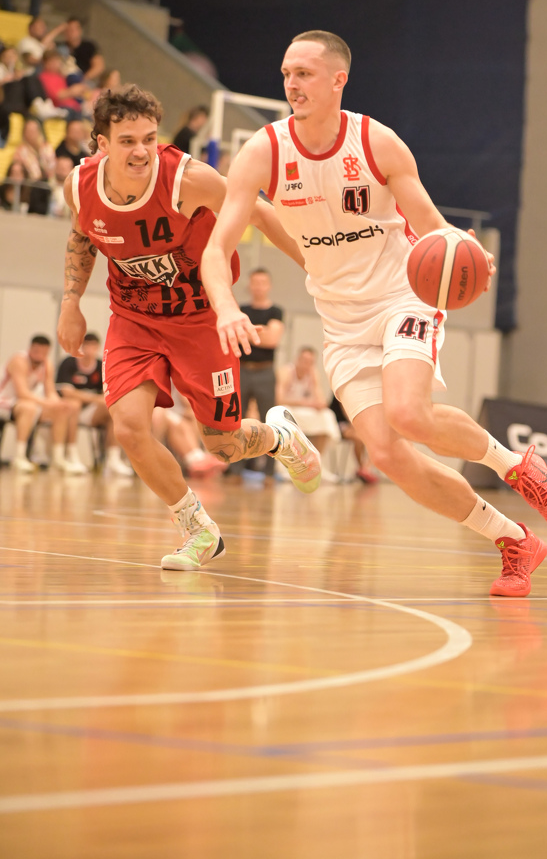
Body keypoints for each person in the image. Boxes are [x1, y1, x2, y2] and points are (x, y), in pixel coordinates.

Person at [201, 29, 547, 598]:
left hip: (403, 294)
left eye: (303, 74)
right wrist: (226, 305)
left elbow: (429, 223)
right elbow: (216, 247)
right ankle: (513, 540)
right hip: (340, 320)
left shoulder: (377, 142)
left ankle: (519, 468)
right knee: (387, 455)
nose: (291, 84)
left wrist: (463, 249)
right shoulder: (263, 152)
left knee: (409, 414)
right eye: (286, 74)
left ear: (338, 79)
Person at [56, 83, 321, 572]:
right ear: (102, 143)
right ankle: (198, 529)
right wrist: (71, 302)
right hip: (134, 319)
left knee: (223, 445)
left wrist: (318, 269)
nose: (141, 151)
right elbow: (81, 235)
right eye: (128, 141)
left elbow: (260, 212)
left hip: (201, 318)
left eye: (149, 138)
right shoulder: (78, 185)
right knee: (129, 427)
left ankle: (279, 437)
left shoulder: (187, 179)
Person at [226, 267, 284, 483]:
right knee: (235, 421)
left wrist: (245, 331)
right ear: (249, 285)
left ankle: (269, 472)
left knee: (270, 421)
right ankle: (235, 470)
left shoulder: (276, 311)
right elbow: (235, 335)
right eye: (255, 282)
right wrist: (261, 332)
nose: (258, 287)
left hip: (265, 372)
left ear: (269, 286)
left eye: (262, 283)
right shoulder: (241, 310)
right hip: (241, 371)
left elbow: (272, 340)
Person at [0, 335, 87, 473]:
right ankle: (19, 457)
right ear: (30, 348)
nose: (39, 355)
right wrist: (47, 403)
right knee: (28, 407)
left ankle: (58, 458)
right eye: (36, 351)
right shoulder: (19, 361)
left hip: (29, 402)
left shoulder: (47, 364)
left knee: (61, 409)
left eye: (43, 352)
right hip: (5, 401)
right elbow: (22, 393)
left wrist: (58, 404)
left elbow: (50, 392)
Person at [56, 331, 133, 476]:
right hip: (69, 411)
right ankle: (71, 454)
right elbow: (67, 392)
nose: (89, 350)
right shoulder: (69, 363)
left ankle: (113, 458)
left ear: (98, 348)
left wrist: (98, 399)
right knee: (74, 404)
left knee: (112, 409)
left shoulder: (101, 366)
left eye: (93, 346)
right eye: (87, 346)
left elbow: (107, 393)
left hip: (89, 412)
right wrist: (94, 398)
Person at [276, 346, 341, 480]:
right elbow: (279, 400)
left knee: (327, 416)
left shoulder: (313, 374)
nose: (307, 364)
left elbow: (321, 400)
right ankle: (284, 466)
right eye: (304, 361)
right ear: (297, 359)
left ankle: (315, 464)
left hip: (303, 411)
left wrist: (319, 404)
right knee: (284, 415)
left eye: (310, 362)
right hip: (287, 409)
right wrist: (305, 403)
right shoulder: (286, 372)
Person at [329, 393, 378, 484]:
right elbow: (346, 411)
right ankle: (363, 468)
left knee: (375, 439)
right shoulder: (343, 392)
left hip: (352, 424)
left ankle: (365, 468)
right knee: (359, 438)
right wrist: (355, 425)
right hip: (338, 424)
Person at [12, 118, 56, 184]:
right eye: (28, 131)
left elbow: (53, 168)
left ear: (39, 131)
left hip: (49, 184)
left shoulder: (47, 148)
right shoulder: (20, 151)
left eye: (33, 131)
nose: (31, 134)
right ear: (24, 133)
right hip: (30, 185)